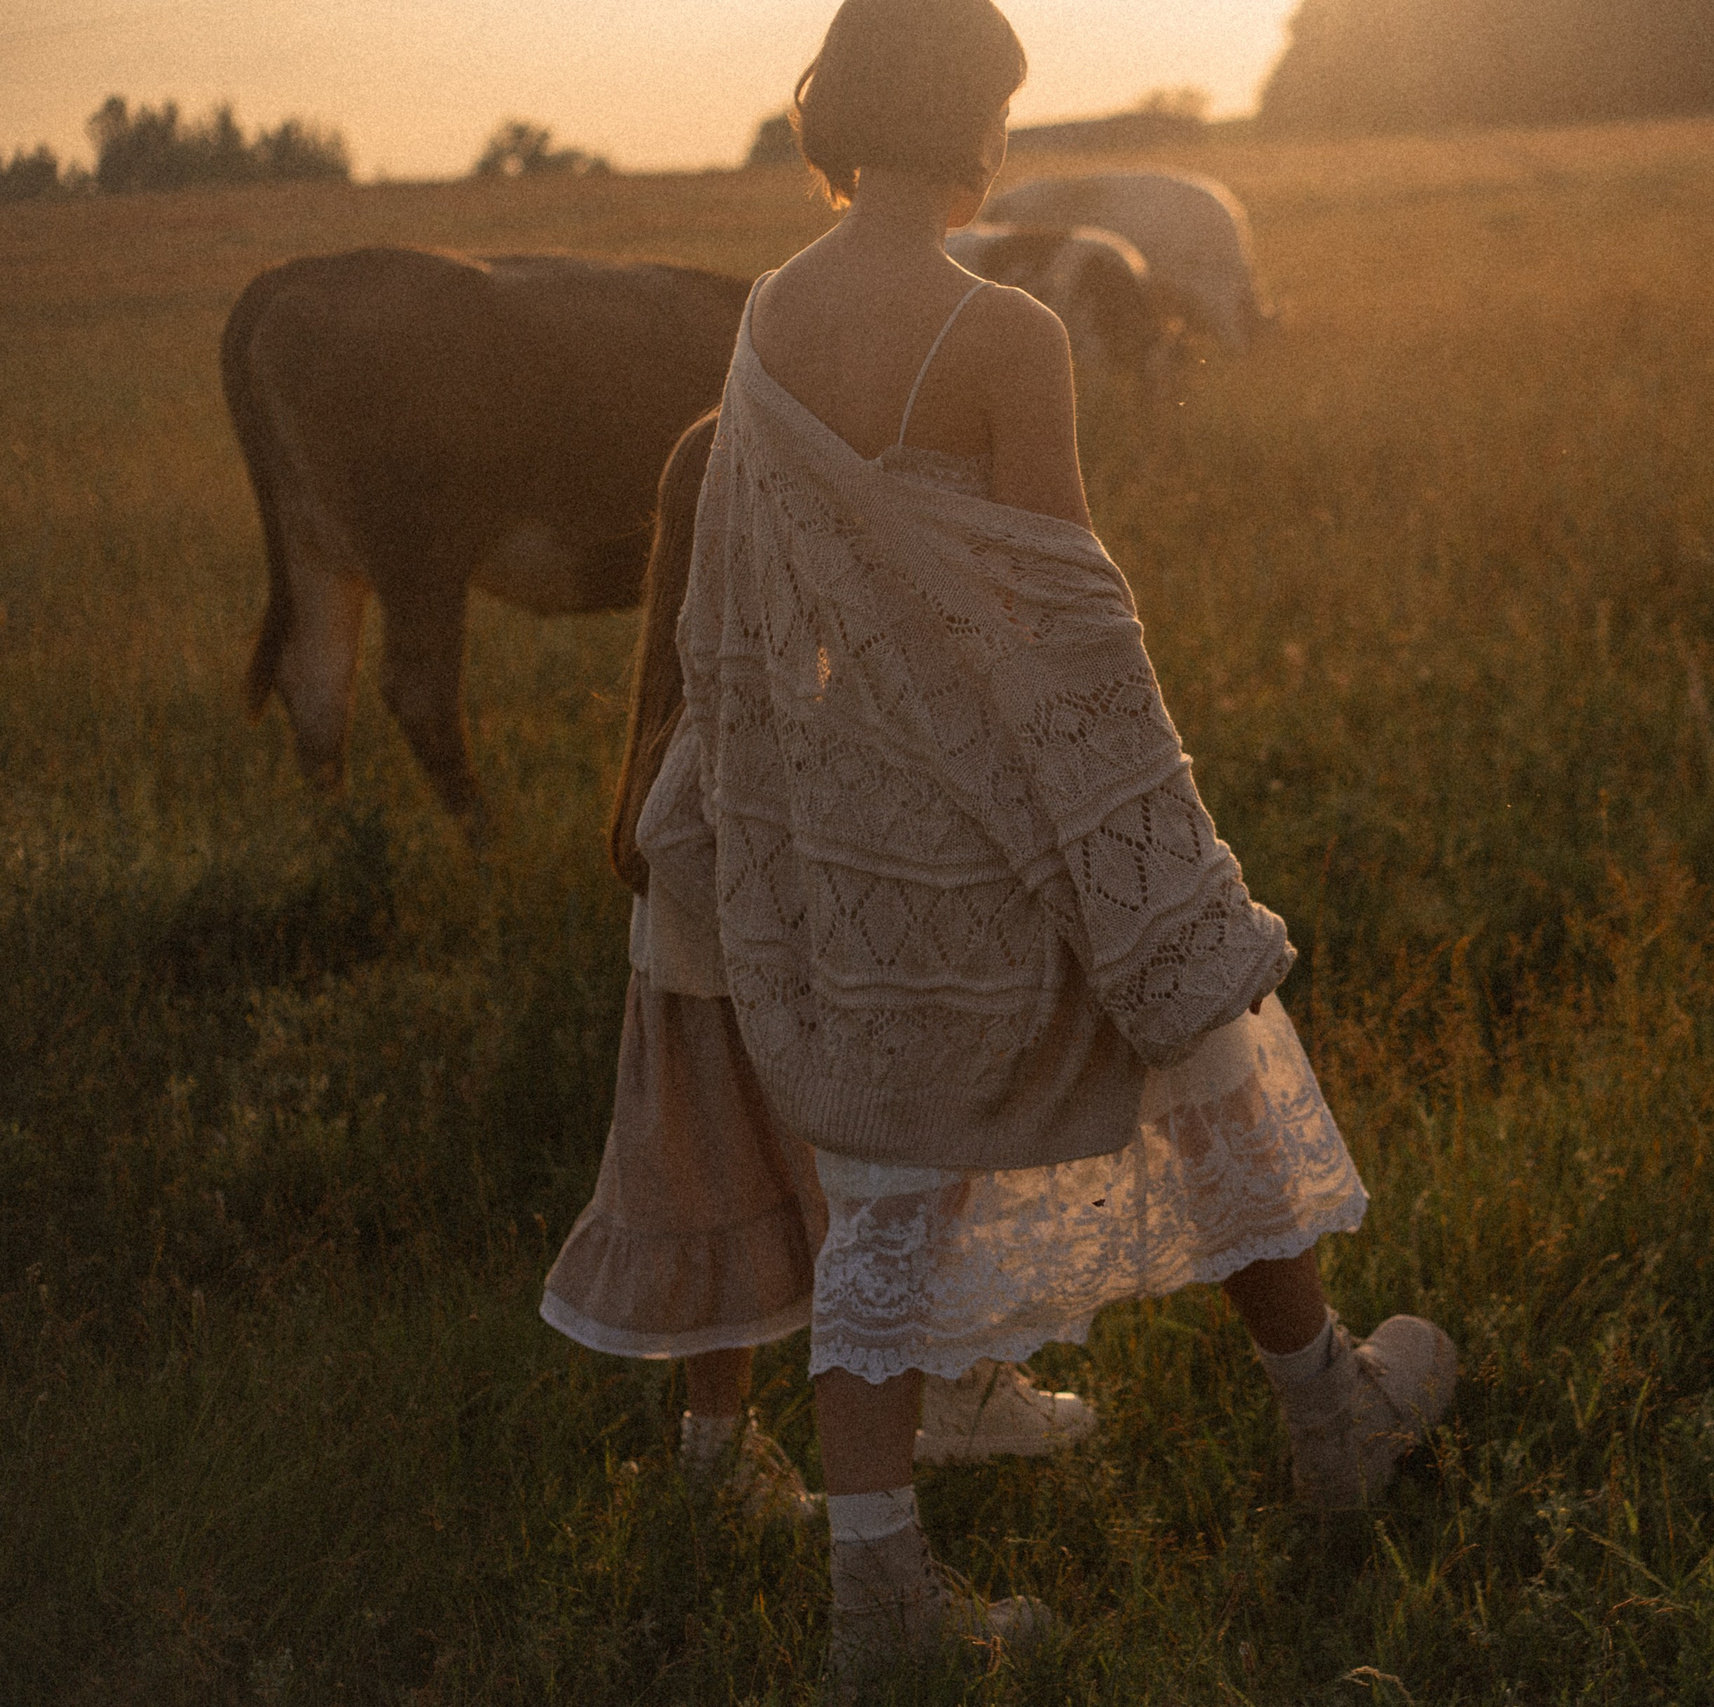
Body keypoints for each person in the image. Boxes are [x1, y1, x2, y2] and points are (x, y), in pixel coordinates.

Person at [648, 0, 1459, 1679]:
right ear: (974, 119)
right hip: (1007, 832)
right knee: (1211, 1066)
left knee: (881, 1204)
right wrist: (1142, 847)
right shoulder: (1006, 332)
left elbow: (739, 614)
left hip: (855, 856)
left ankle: (879, 1595)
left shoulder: (770, 317)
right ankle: (1334, 1416)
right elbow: (1065, 623)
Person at [540, 412, 1103, 1529]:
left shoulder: (729, 674)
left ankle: (802, 1428)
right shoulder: (735, 695)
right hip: (732, 1012)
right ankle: (922, 1399)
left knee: (766, 1220)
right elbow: (678, 837)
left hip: (720, 1003)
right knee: (840, 1199)